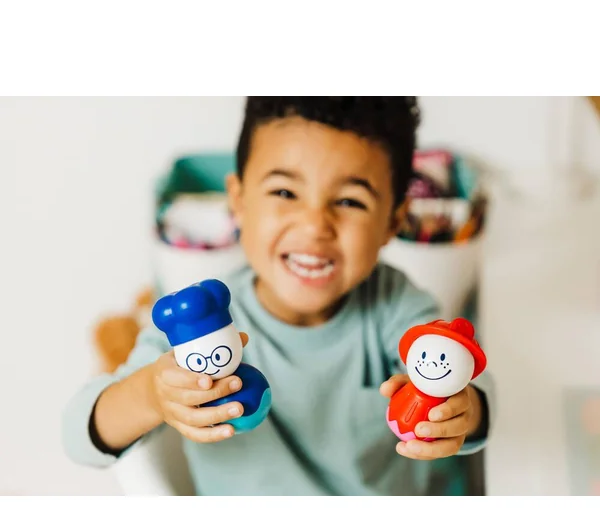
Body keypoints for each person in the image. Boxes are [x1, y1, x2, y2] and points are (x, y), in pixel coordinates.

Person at [62, 96, 495, 496]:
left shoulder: (394, 304)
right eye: (285, 193)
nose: (314, 226)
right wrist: (151, 395)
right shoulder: (203, 319)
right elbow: (79, 436)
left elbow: (476, 388)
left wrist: (461, 410)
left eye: (350, 201)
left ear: (392, 223)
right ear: (239, 202)